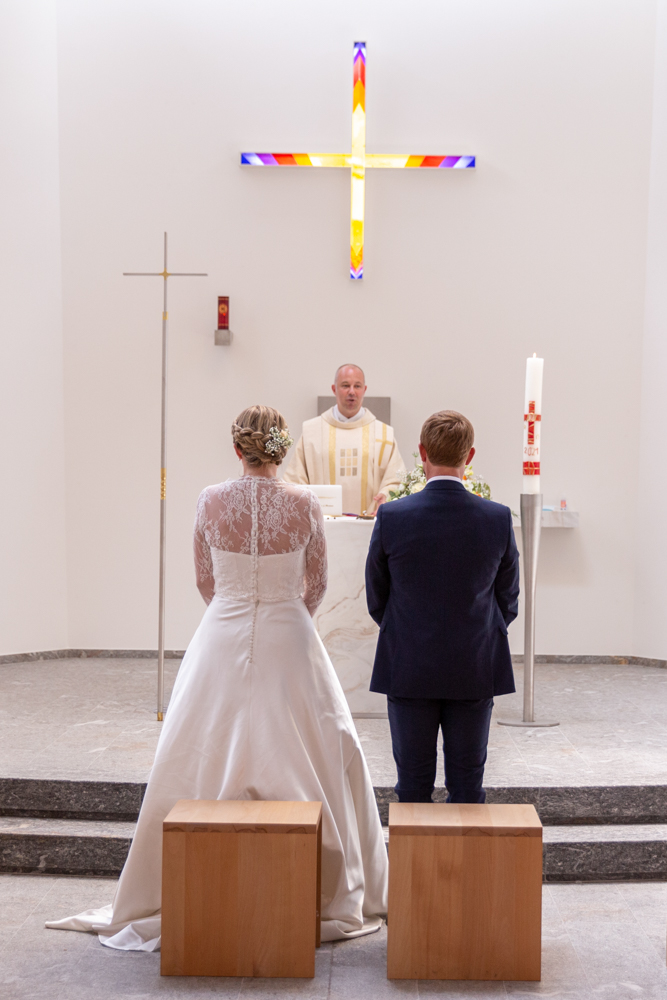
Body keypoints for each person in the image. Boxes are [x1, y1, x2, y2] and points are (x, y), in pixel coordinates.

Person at [47, 405, 388, 948]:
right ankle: (327, 884)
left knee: (195, 746)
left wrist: (233, 612)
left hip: (221, 634)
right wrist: (286, 618)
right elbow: (318, 583)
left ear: (237, 448)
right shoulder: (304, 503)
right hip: (291, 638)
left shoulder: (209, 499)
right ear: (282, 449)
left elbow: (205, 581)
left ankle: (188, 878)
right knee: (320, 741)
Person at [365, 410, 520, 804]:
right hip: (474, 661)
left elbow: (376, 593)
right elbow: (508, 597)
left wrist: (405, 629)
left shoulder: (393, 516)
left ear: (422, 453)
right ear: (469, 456)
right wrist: (480, 628)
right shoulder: (496, 517)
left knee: (412, 786)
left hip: (409, 662)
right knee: (467, 786)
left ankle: (412, 848)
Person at [283, 364, 405, 515]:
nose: (352, 392)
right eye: (345, 385)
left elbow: (396, 480)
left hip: (370, 525)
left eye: (357, 386)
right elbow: (294, 481)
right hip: (323, 525)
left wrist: (386, 497)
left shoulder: (384, 434)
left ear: (364, 390)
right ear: (334, 389)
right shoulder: (312, 432)